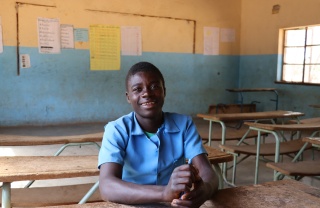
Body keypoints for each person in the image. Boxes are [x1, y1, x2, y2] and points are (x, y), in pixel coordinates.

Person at [98, 61, 218, 207]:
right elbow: (107, 186)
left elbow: (207, 172)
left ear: (164, 91)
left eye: (154, 86)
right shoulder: (116, 130)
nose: (147, 93)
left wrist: (204, 191)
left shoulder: (183, 124)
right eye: (137, 89)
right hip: (131, 204)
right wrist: (164, 193)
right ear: (128, 97)